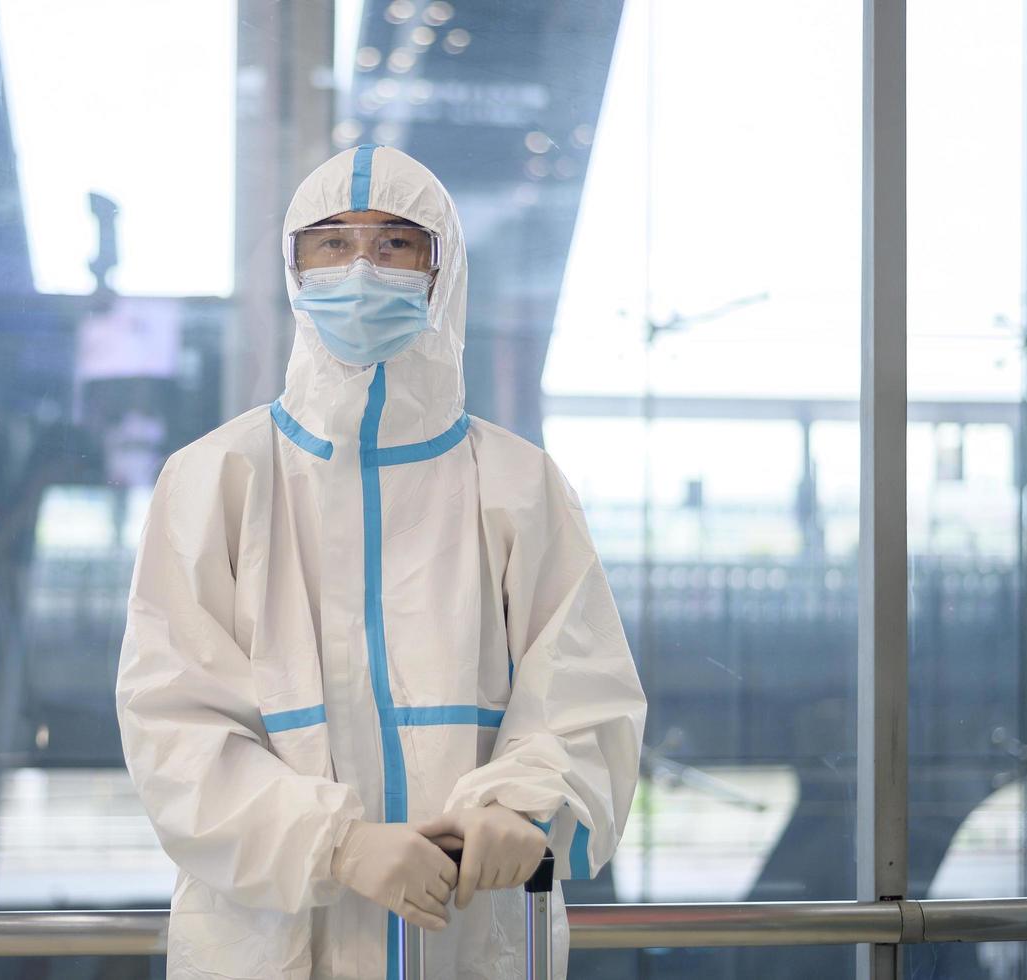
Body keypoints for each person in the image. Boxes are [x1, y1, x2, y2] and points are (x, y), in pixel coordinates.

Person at [116, 145, 647, 979]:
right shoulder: (217, 477)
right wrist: (336, 844)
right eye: (331, 244)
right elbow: (172, 727)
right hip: (271, 941)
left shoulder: (516, 483)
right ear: (294, 269)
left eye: (396, 244)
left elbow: (583, 692)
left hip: (468, 934)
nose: (361, 268)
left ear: (444, 271)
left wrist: (526, 803)